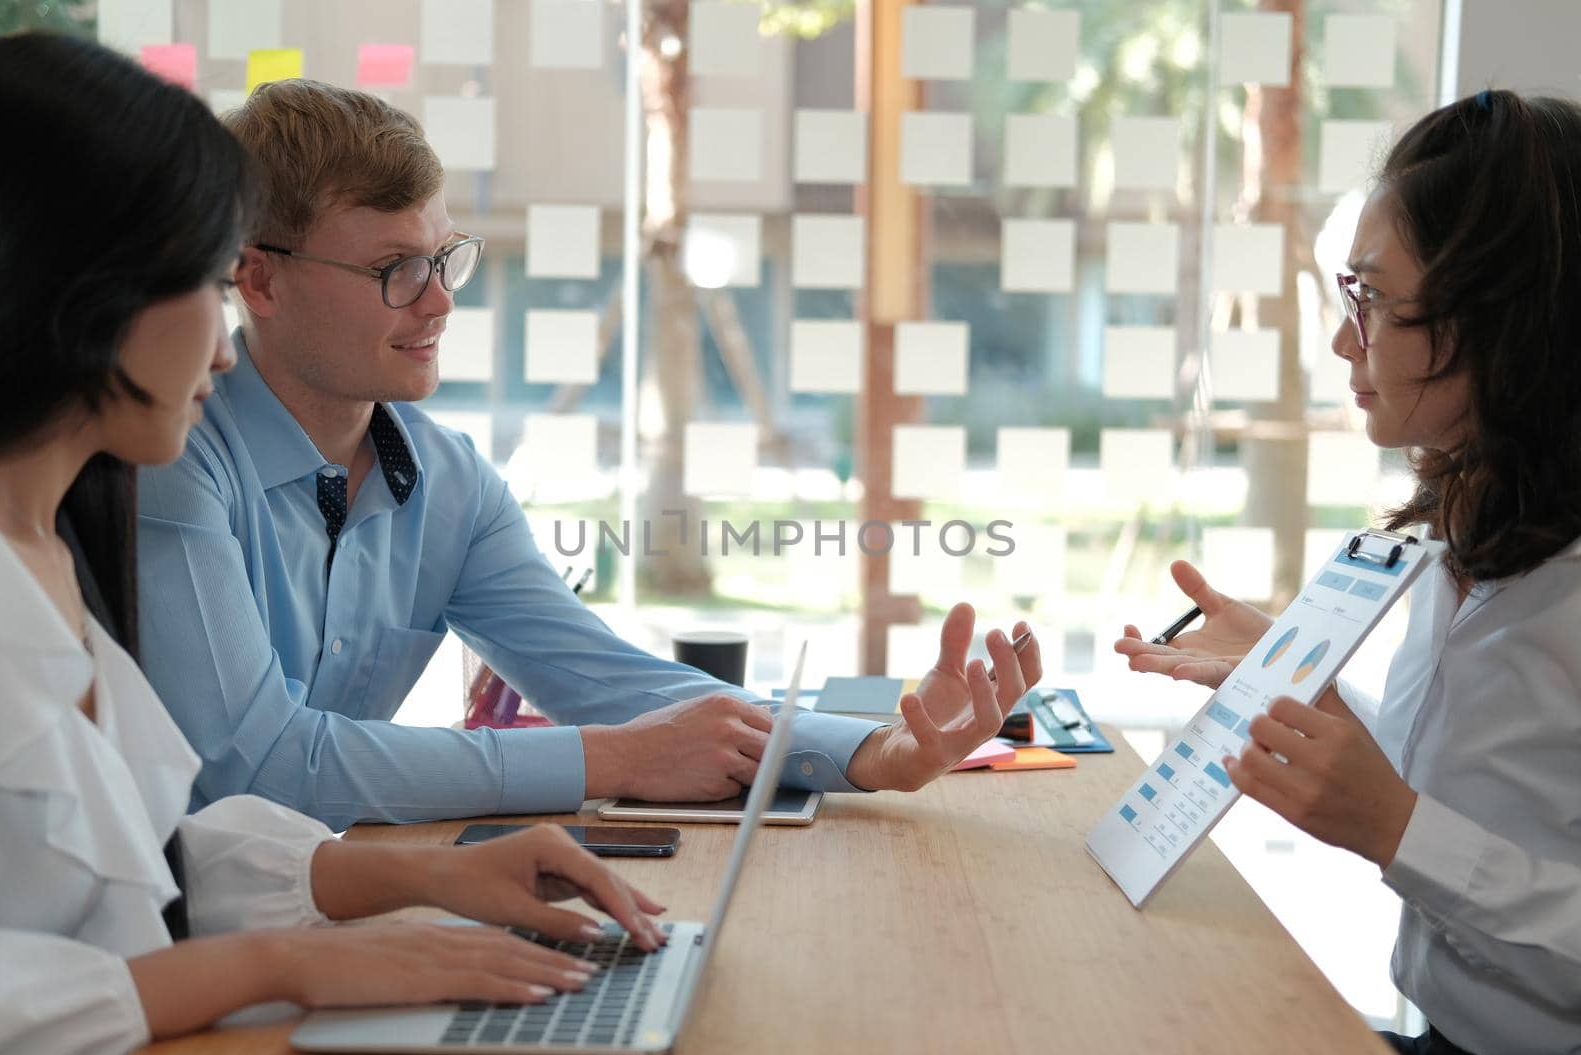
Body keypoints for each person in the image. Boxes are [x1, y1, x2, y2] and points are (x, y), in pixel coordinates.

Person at [0, 33, 666, 1055]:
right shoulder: (115, 514)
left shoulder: (50, 550)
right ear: (81, 297)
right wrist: (279, 964)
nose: (223, 343)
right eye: (206, 283)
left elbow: (144, 868)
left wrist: (419, 878)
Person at [136, 77, 1041, 829]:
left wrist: (877, 752)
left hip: (324, 902)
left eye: (444, 258)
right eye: (394, 270)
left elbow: (617, 686)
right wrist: (617, 761)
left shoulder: (449, 484)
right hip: (162, 952)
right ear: (259, 278)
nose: (440, 302)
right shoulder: (172, 464)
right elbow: (257, 765)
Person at [1115, 90, 1581, 1055]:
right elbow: (1486, 792)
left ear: (1500, 320)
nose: (1341, 341)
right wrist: (1304, 684)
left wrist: (1393, 826)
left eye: (1369, 300)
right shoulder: (1468, 530)